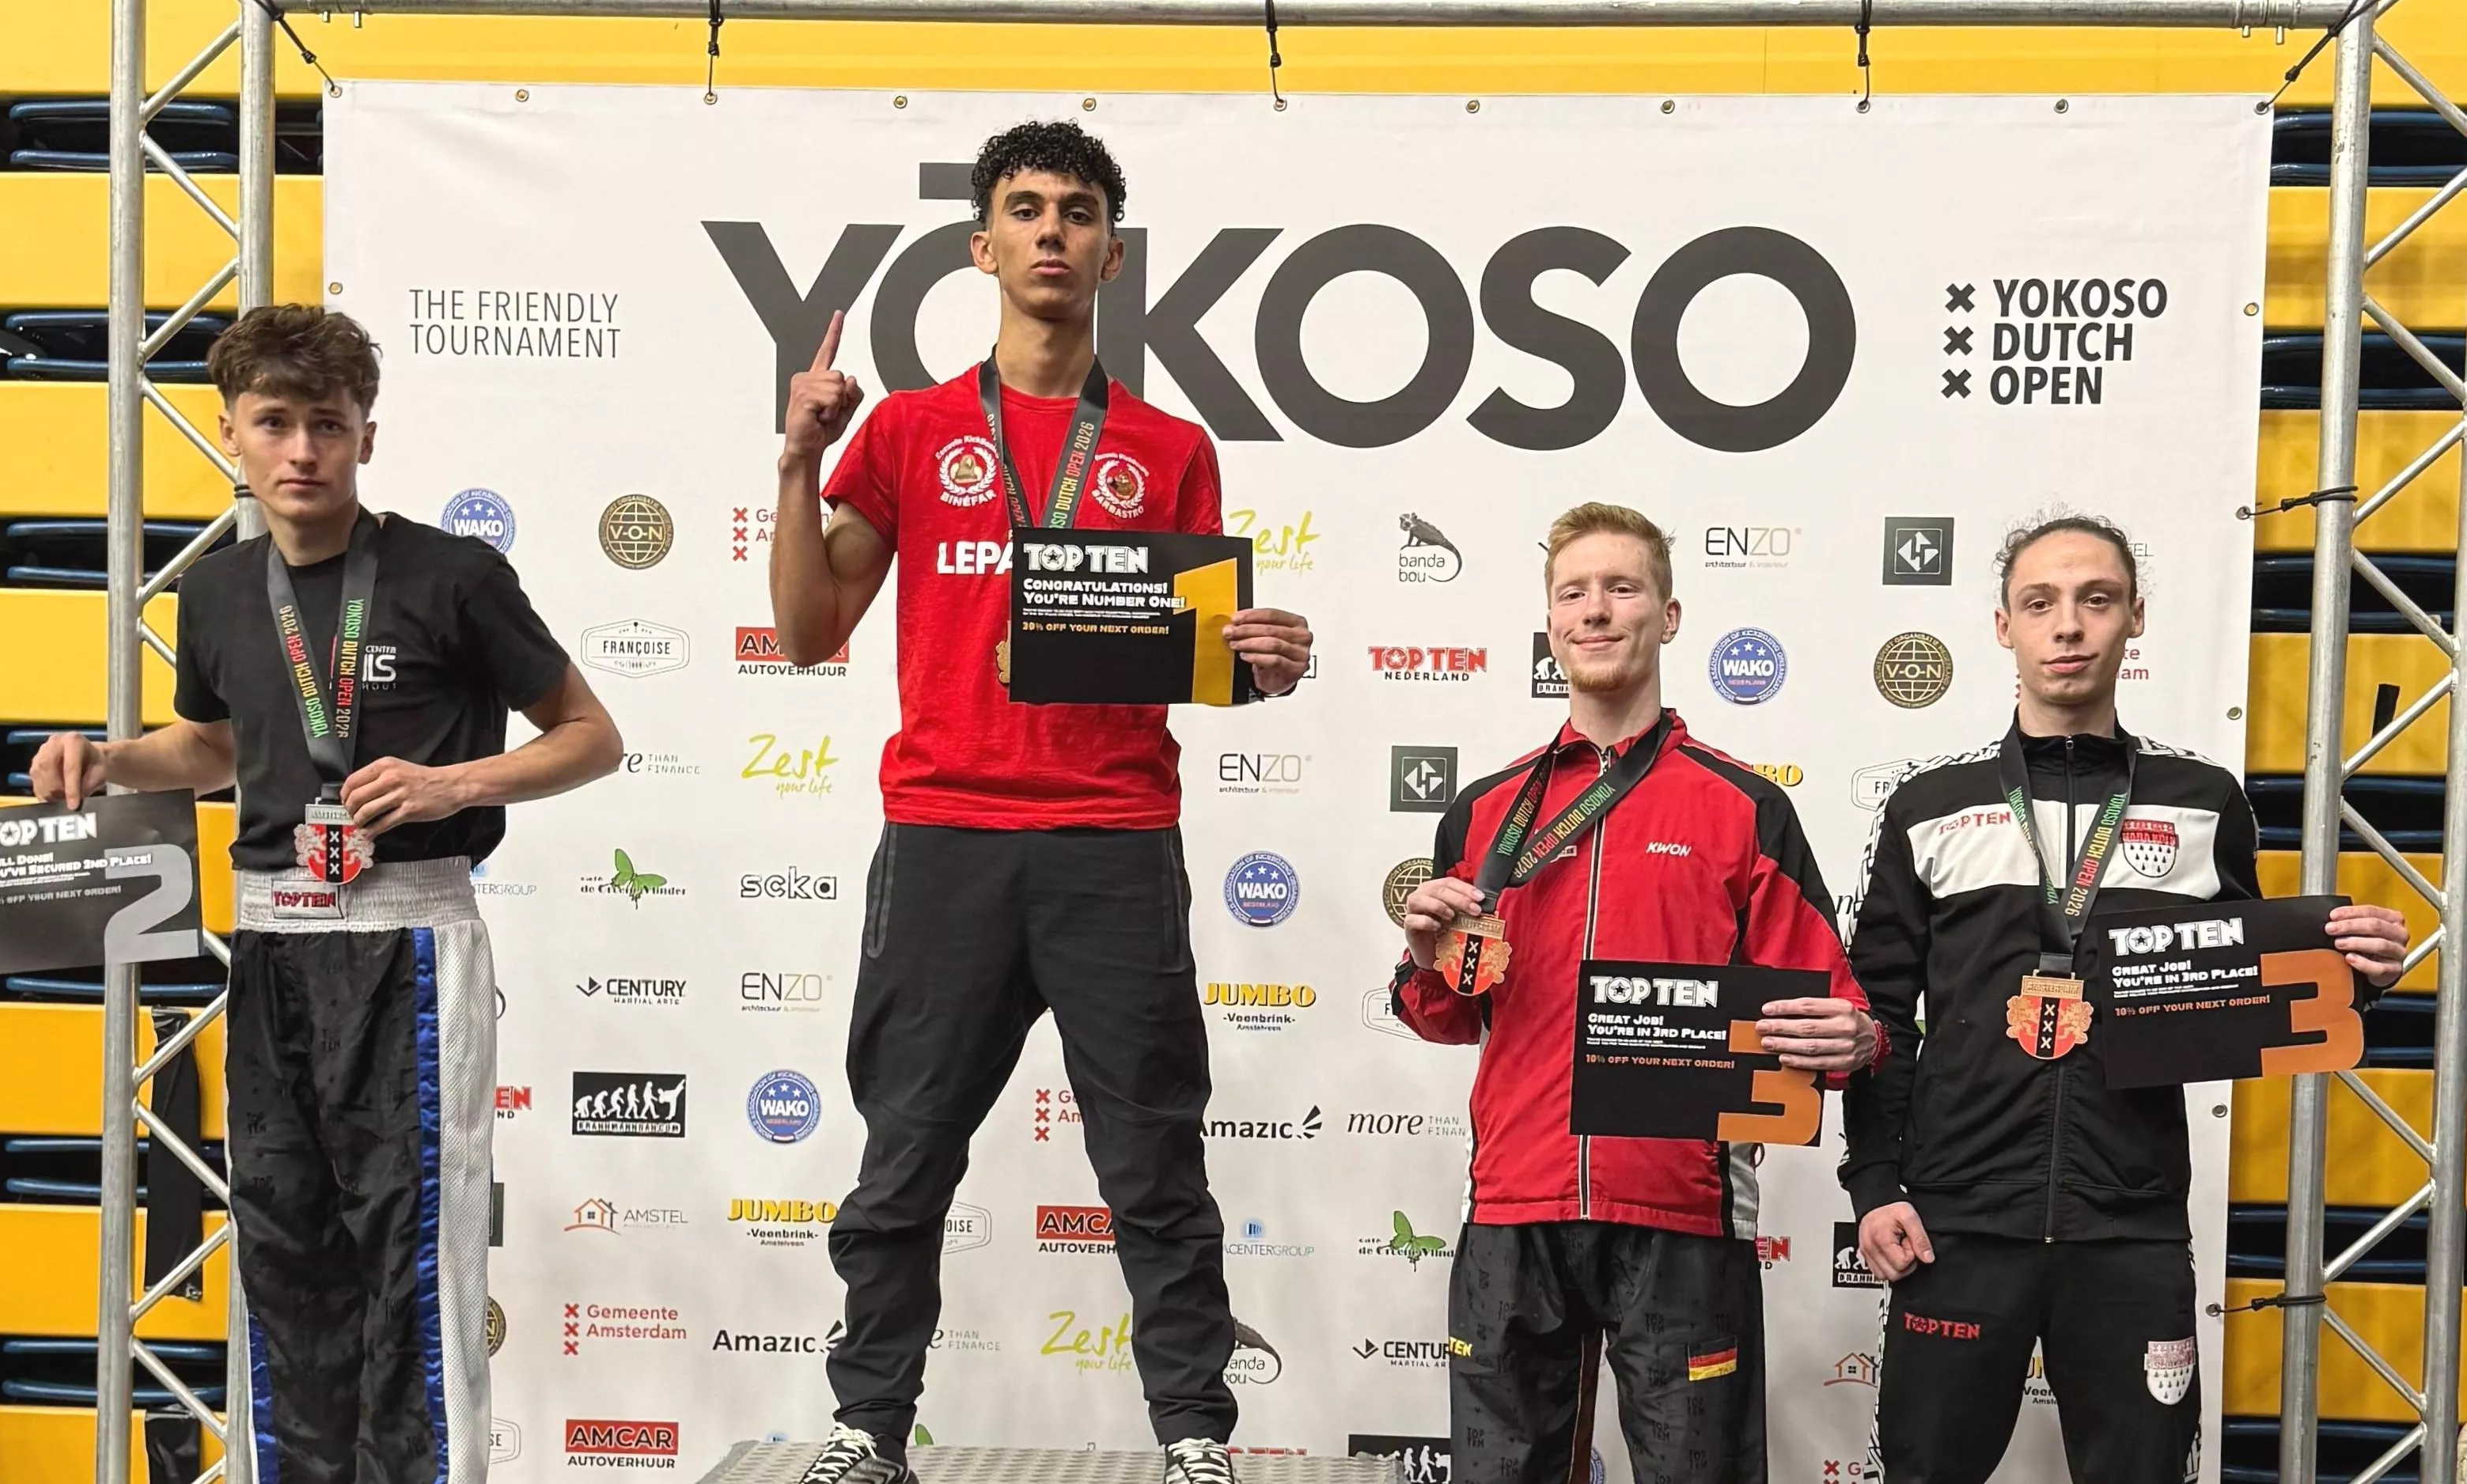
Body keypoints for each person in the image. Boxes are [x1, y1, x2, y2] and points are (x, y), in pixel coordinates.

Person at [769, 121, 1314, 1484]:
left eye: (1077, 211)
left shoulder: (1169, 446)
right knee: (904, 1156)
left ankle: (1194, 1436)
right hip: (947, 837)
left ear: (1111, 253)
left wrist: (1264, 669)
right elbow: (805, 628)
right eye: (1026, 210)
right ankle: (865, 1428)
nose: (1053, 231)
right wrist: (791, 463)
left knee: (1152, 1163)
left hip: (1114, 840)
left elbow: (1178, 656)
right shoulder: (903, 429)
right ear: (983, 247)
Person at [28, 306, 623, 1484]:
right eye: (276, 424)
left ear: (366, 436)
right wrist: (111, 761)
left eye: (328, 426)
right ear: (231, 437)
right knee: (285, 1254)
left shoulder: (452, 575)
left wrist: (455, 777)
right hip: (269, 946)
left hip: (407, 943)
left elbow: (591, 737)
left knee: (409, 1263)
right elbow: (218, 748)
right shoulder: (212, 593)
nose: (303, 450)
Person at [1840, 514, 2412, 1484]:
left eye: (2096, 600)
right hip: (1958, 1223)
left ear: (2134, 618)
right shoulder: (1930, 807)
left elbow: (2242, 989)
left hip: (2132, 1227)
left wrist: (2349, 977)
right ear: (2002, 626)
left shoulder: (2204, 800)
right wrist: (1877, 1184)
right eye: (2041, 603)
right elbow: (1877, 1020)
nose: (2069, 626)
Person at [1392, 502, 1882, 1484]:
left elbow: (1835, 1006)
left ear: (1669, 614)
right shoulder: (1485, 811)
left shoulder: (1745, 806)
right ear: (1550, 623)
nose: (1597, 609)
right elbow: (1446, 1014)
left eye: (1622, 588)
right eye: (1574, 592)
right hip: (1515, 1206)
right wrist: (1423, 954)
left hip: (1683, 1209)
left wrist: (1856, 1040)